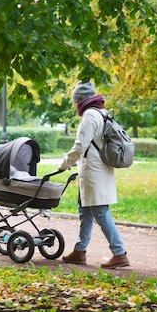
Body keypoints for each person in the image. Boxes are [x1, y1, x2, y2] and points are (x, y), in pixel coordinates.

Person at [58, 81, 129, 269]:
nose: (75, 106)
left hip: (93, 171)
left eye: (75, 102)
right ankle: (79, 251)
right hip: (98, 169)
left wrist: (64, 163)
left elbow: (80, 146)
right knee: (85, 210)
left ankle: (119, 253)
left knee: (100, 211)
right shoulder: (102, 112)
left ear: (81, 101)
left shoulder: (90, 115)